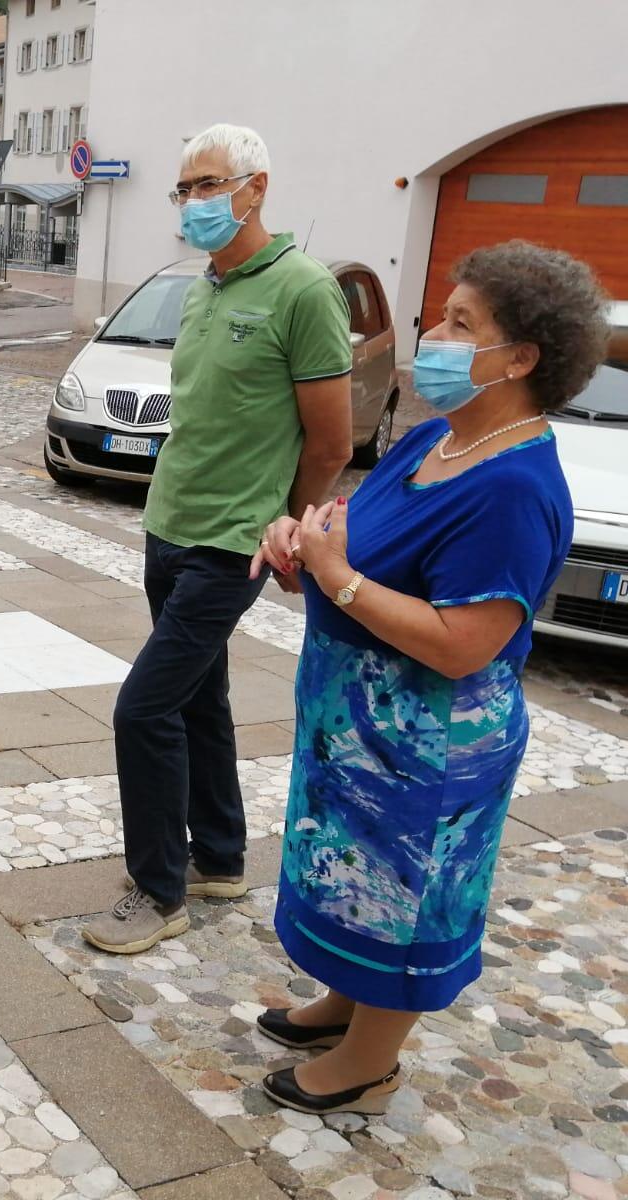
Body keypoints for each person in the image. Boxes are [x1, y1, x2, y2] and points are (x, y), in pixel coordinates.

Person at [251, 241, 602, 1115]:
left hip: (428, 748)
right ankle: (342, 1006)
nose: (433, 332)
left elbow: (463, 643)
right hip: (357, 728)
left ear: (521, 358)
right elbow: (360, 546)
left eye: (460, 322)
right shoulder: (439, 440)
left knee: (403, 902)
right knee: (347, 881)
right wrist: (303, 547)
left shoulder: (512, 485)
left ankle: (369, 1066)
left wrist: (337, 578)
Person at [80, 123, 355, 956]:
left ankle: (159, 890)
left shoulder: (304, 290)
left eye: (208, 185)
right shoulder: (205, 286)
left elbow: (332, 443)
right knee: (200, 696)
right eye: (186, 188)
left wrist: (289, 538)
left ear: (255, 188)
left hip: (233, 540)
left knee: (144, 707)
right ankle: (221, 857)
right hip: (170, 525)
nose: (193, 202)